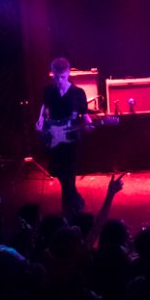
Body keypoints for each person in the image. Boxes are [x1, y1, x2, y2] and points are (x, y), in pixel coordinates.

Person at [35, 57, 92, 222]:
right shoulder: (48, 91)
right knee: (58, 172)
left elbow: (85, 115)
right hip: (53, 136)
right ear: (52, 75)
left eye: (63, 77)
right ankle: (77, 200)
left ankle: (68, 213)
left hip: (71, 138)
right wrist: (40, 120)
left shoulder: (78, 93)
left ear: (68, 74)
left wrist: (89, 125)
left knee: (69, 174)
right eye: (56, 77)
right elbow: (45, 108)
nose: (59, 81)